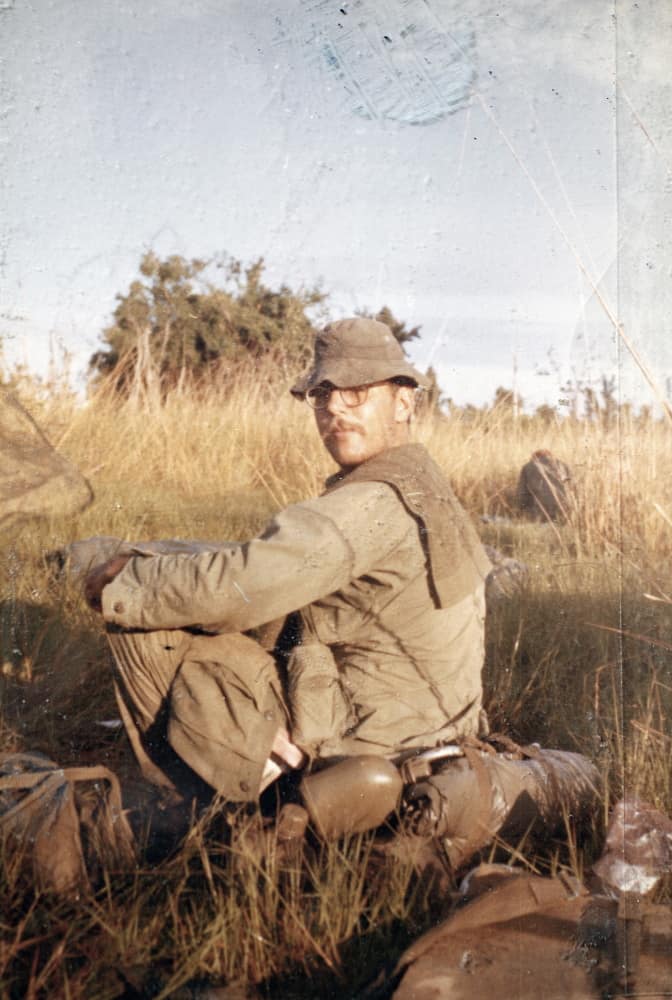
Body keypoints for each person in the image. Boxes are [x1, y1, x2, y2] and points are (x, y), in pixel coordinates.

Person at [85, 318, 491, 805]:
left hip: (366, 754)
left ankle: (205, 813)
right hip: (430, 734)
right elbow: (275, 561)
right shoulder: (422, 484)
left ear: (404, 400)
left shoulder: (372, 502)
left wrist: (127, 582)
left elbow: (244, 584)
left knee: (148, 620)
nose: (335, 408)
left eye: (357, 391)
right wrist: (162, 554)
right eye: (322, 394)